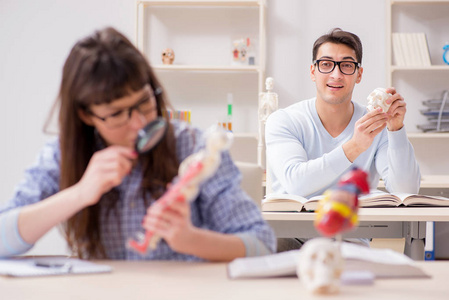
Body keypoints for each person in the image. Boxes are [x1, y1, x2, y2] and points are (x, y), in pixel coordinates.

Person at [0, 27, 276, 261]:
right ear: (86, 115)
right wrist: (81, 192)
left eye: (145, 102)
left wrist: (191, 240)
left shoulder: (194, 147)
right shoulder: (64, 155)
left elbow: (261, 244)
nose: (139, 124)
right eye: (117, 114)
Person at [265, 28, 420, 251]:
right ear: (313, 71)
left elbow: (406, 190)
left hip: (350, 241)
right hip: (290, 236)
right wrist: (354, 147)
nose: (336, 75)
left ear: (359, 74)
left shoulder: (377, 124)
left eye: (346, 65)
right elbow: (296, 184)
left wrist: (396, 130)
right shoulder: (284, 120)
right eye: (326, 64)